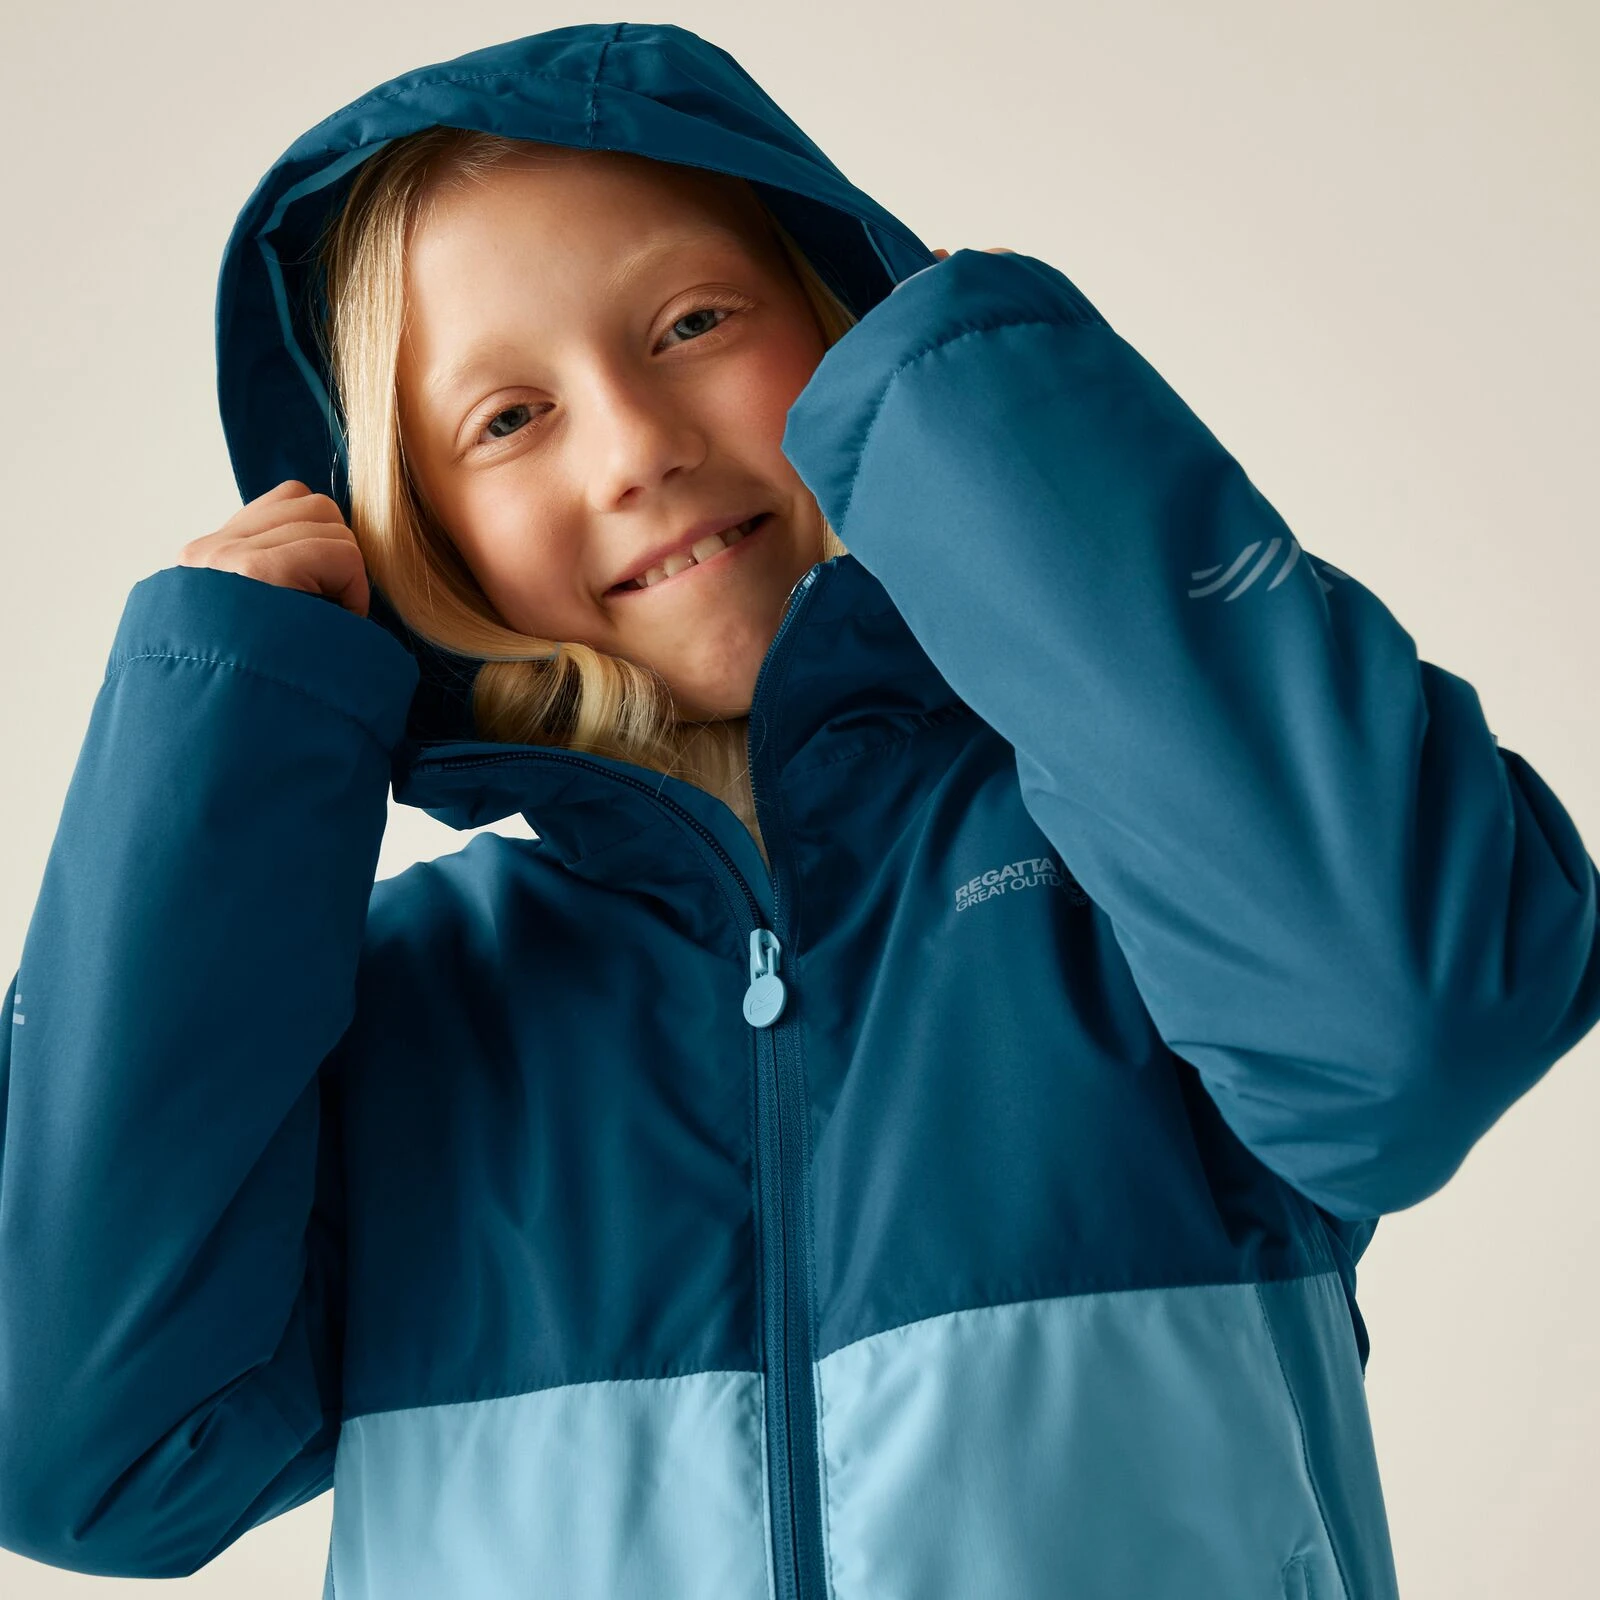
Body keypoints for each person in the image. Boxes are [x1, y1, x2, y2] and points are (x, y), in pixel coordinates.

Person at [1, 20, 1595, 1600]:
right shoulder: (405, 1009)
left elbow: (1414, 1030)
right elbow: (83, 1459)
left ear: (846, 324)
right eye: (508, 418)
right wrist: (217, 736)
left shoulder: (1130, 852)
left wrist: (1004, 423)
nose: (637, 446)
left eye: (694, 323)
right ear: (417, 529)